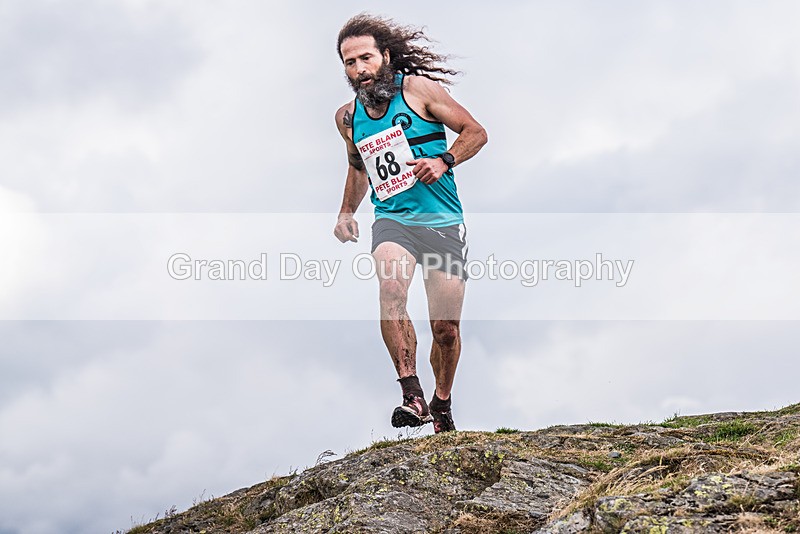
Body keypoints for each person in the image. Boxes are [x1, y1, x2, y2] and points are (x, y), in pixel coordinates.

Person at [333, 14, 487, 433]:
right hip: (393, 220)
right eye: (349, 63)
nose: (359, 70)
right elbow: (358, 167)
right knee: (391, 287)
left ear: (385, 56)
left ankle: (441, 402)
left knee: (446, 330)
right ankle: (411, 394)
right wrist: (347, 211)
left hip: (441, 219)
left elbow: (476, 131)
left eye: (365, 58)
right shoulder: (347, 118)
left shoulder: (418, 90)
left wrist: (444, 160)